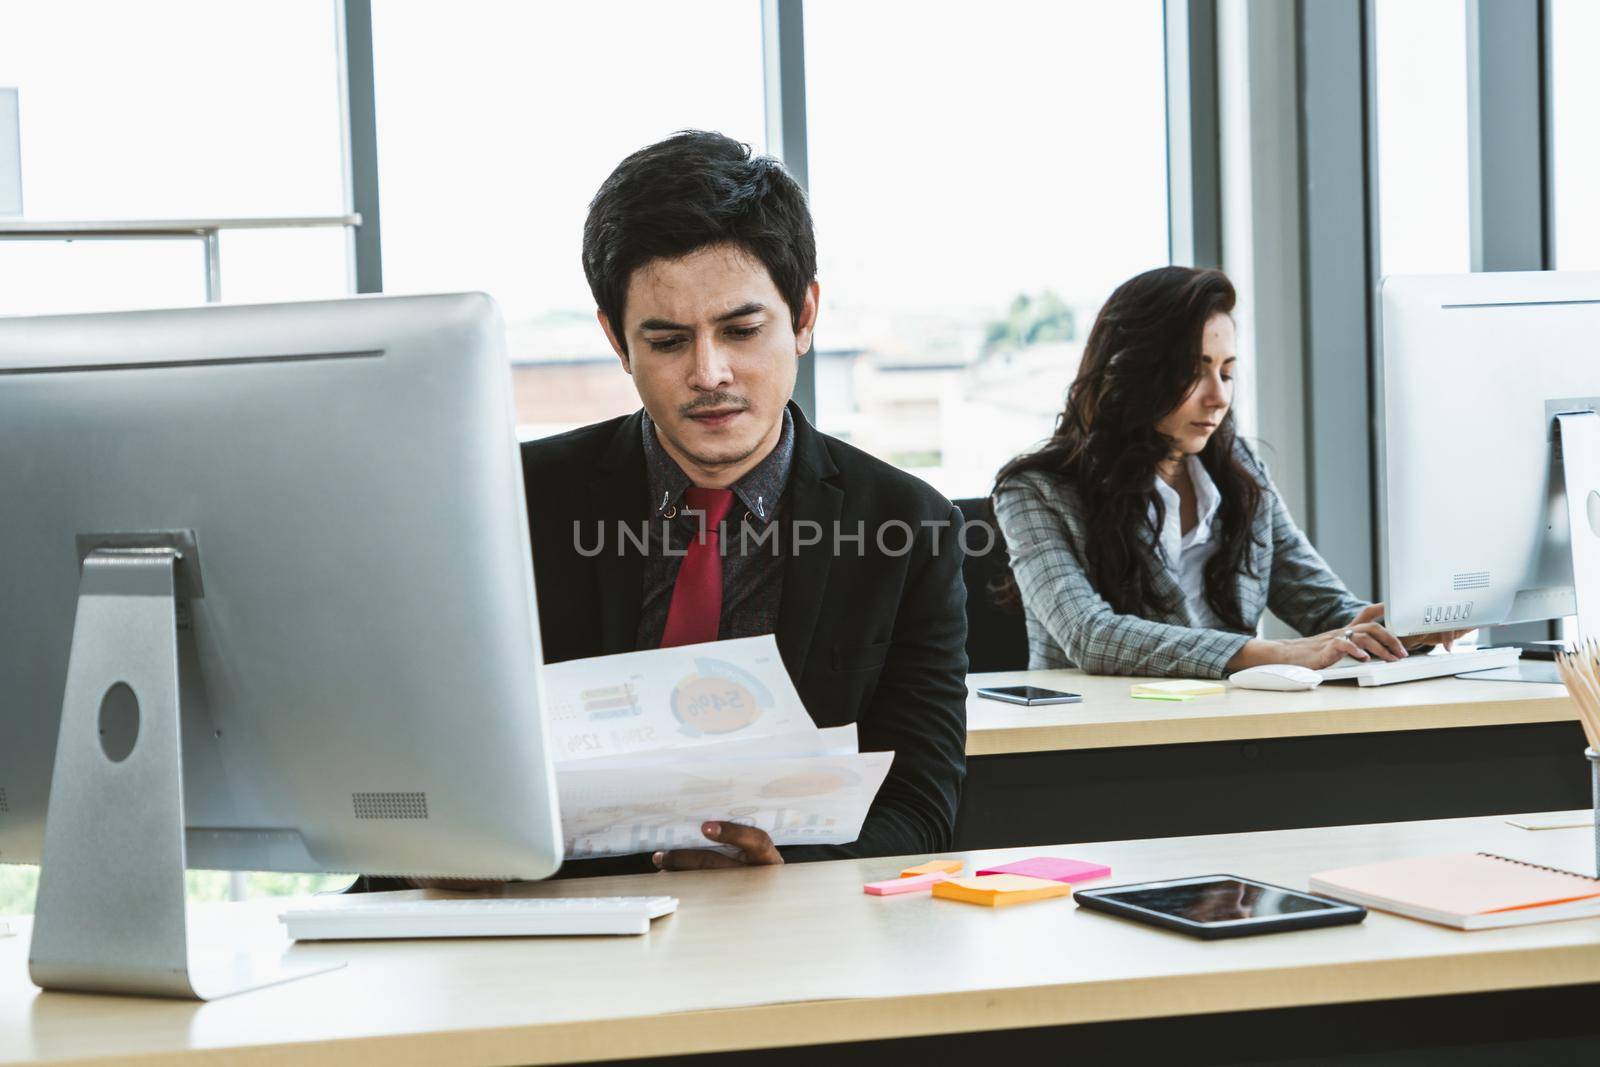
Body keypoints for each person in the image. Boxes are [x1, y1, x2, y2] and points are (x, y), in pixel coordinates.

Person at [521, 131, 968, 872]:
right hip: (557, 921)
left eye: (740, 329)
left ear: (803, 316)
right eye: (666, 342)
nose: (709, 372)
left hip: (784, 929)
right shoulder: (521, 503)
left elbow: (921, 809)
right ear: (615, 339)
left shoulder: (907, 527)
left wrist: (783, 867)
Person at [991, 266, 1463, 679]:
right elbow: (1089, 634)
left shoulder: (1238, 470)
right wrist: (1274, 653)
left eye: (1227, 372)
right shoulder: (1035, 491)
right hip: (1089, 744)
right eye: (1195, 372)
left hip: (1230, 734)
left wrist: (1397, 628)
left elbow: (1323, 610)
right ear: (1134, 372)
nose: (1217, 396)